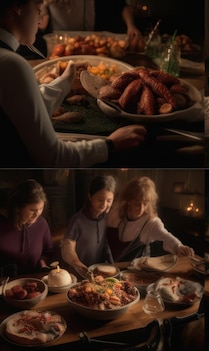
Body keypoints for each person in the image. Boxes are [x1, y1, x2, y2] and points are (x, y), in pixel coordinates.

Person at [0, 0, 147, 167]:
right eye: (37, 8)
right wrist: (110, 144)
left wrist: (65, 81)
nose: (40, 18)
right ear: (16, 6)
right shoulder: (11, 64)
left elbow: (26, 111)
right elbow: (53, 157)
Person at [106, 176, 195, 262]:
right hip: (113, 266)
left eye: (145, 203)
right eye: (137, 203)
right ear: (128, 200)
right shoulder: (117, 213)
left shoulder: (151, 222)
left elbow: (166, 236)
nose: (141, 208)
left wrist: (179, 246)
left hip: (135, 270)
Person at [61, 175, 116, 277]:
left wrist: (111, 263)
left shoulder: (105, 218)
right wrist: (77, 264)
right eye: (100, 199)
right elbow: (67, 248)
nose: (104, 204)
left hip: (96, 273)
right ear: (90, 196)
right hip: (77, 273)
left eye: (109, 200)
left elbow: (104, 243)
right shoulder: (77, 220)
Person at [0, 179, 53, 275]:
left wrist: (43, 263)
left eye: (41, 208)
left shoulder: (42, 224)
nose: (37, 214)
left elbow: (48, 251)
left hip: (35, 281)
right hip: (5, 283)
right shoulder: (3, 224)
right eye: (32, 210)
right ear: (18, 208)